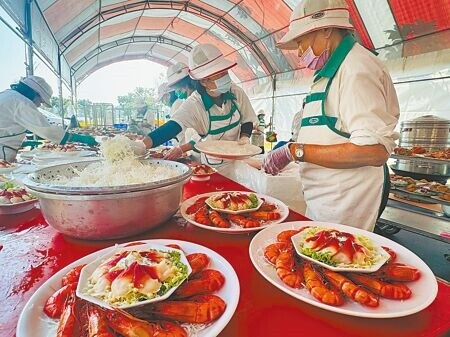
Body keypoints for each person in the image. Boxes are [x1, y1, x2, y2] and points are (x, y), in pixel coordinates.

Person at [262, 0, 399, 231]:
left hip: (345, 204)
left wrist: (296, 151)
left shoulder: (357, 69)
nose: (299, 51)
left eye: (301, 41)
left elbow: (374, 151)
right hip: (324, 199)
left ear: (326, 29)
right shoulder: (330, 73)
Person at [141, 44, 257, 177]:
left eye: (225, 72)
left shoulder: (236, 91)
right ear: (204, 81)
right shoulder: (195, 104)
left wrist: (244, 137)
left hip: (239, 161)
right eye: (219, 75)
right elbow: (173, 126)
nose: (225, 77)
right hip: (214, 166)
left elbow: (247, 120)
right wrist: (141, 146)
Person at [0, 76, 97, 161]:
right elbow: (47, 131)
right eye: (40, 101)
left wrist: (24, 142)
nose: (38, 105)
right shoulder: (21, 102)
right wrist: (77, 138)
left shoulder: (9, 95)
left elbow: (6, 128)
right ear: (34, 93)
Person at [163, 62, 201, 161]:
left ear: (185, 85)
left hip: (200, 152)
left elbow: (203, 135)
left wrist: (181, 149)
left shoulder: (199, 100)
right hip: (191, 151)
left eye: (177, 89)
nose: (176, 92)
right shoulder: (187, 101)